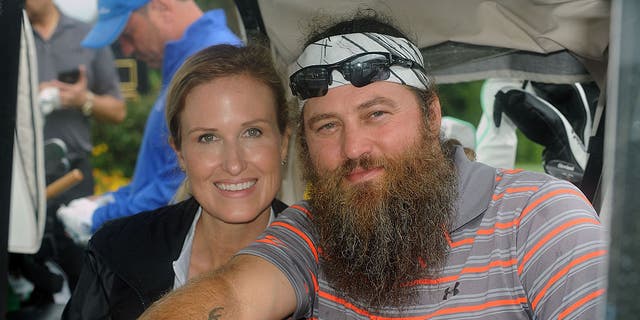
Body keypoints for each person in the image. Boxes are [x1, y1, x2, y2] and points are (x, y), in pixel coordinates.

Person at [140, 11, 607, 320]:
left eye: (376, 114)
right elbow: (230, 297)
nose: (352, 147)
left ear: (431, 116)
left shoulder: (540, 217)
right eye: (326, 126)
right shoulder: (315, 227)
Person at [61, 43, 291, 319]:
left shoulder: (332, 270)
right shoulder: (115, 254)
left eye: (252, 132)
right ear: (179, 153)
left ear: (283, 143)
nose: (234, 163)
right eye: (208, 137)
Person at [56, 0, 243, 244]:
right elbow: (161, 173)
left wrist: (101, 217)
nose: (126, 49)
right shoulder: (186, 62)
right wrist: (115, 199)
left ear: (161, 8)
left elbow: (183, 186)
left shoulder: (211, 63)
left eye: (129, 34)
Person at [13, 0, 125, 303]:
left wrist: (82, 100)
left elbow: (117, 110)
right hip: (20, 182)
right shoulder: (10, 34)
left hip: (73, 177)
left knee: (82, 277)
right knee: (29, 279)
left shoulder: (88, 36)